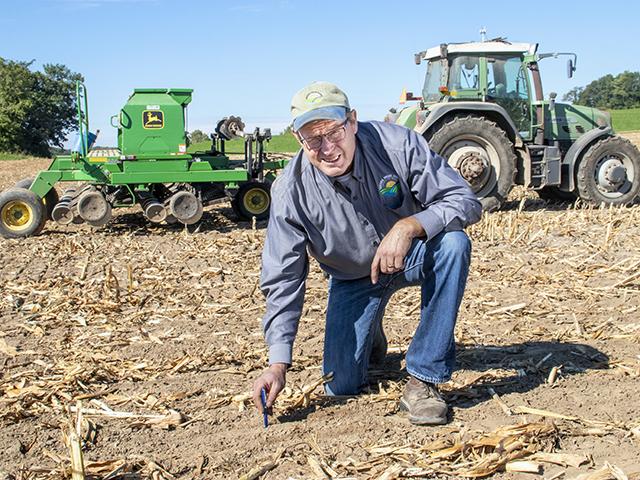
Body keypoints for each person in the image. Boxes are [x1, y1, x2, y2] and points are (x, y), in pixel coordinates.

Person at [252, 81, 482, 425]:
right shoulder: (290, 191)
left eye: (334, 131)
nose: (327, 147)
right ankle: (370, 336)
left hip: (411, 255)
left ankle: (424, 378)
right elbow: (283, 279)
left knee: (453, 244)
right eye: (313, 139)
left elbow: (464, 201)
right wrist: (277, 365)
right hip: (353, 279)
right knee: (340, 385)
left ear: (353, 121)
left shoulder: (397, 144)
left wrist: (409, 226)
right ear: (299, 140)